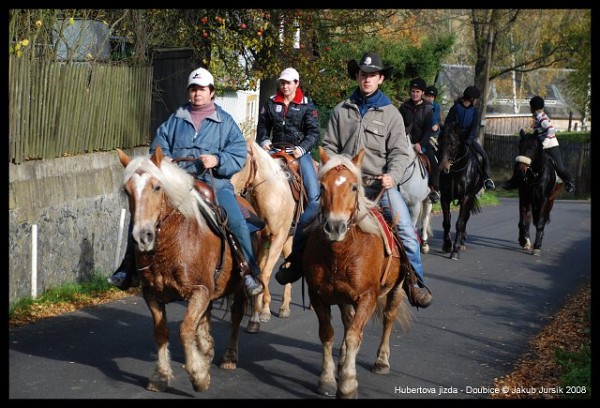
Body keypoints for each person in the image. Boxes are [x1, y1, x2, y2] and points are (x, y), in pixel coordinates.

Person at [109, 67, 263, 296]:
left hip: (214, 184)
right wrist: (164, 160)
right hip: (177, 183)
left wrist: (217, 159)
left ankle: (249, 272)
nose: (197, 94)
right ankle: (128, 268)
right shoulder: (175, 120)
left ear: (211, 92)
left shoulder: (226, 122)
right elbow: (158, 148)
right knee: (142, 213)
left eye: (201, 89)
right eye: (193, 89)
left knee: (238, 223)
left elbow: (239, 154)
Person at [319, 51, 432, 308]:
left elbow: (400, 153)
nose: (367, 79)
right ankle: (295, 267)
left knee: (405, 230)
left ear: (380, 78)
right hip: (345, 186)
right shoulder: (341, 110)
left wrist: (392, 176)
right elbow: (328, 145)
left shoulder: (391, 114)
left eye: (372, 75)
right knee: (308, 219)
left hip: (377, 185)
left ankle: (416, 282)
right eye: (363, 74)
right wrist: (336, 171)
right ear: (357, 76)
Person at [256, 67, 321, 285]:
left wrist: (302, 149)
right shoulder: (271, 102)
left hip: (297, 152)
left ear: (296, 83)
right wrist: (264, 141)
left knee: (315, 197)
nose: (285, 86)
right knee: (252, 183)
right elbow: (262, 127)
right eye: (282, 83)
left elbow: (314, 132)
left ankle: (301, 229)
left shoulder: (307, 104)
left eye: (289, 83)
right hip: (274, 150)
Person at [503, 96, 575, 193]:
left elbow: (551, 130)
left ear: (532, 107)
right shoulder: (538, 117)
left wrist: (544, 144)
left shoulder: (541, 118)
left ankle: (569, 182)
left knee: (560, 168)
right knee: (523, 162)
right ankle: (514, 182)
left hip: (551, 146)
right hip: (540, 148)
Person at [443, 85, 495, 191]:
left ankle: (486, 178)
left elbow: (474, 127)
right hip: (454, 139)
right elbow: (447, 123)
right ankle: (438, 182)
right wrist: (452, 133)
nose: (476, 101)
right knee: (442, 153)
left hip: (469, 139)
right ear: (472, 98)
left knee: (483, 155)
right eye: (476, 99)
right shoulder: (455, 108)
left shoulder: (475, 111)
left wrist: (469, 140)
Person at [399, 78, 440, 203]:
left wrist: (420, 144)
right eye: (412, 91)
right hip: (405, 143)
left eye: (417, 92)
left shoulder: (428, 109)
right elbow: (398, 125)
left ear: (422, 93)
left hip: (422, 143)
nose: (414, 94)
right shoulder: (404, 107)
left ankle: (434, 190)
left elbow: (428, 130)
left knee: (434, 163)